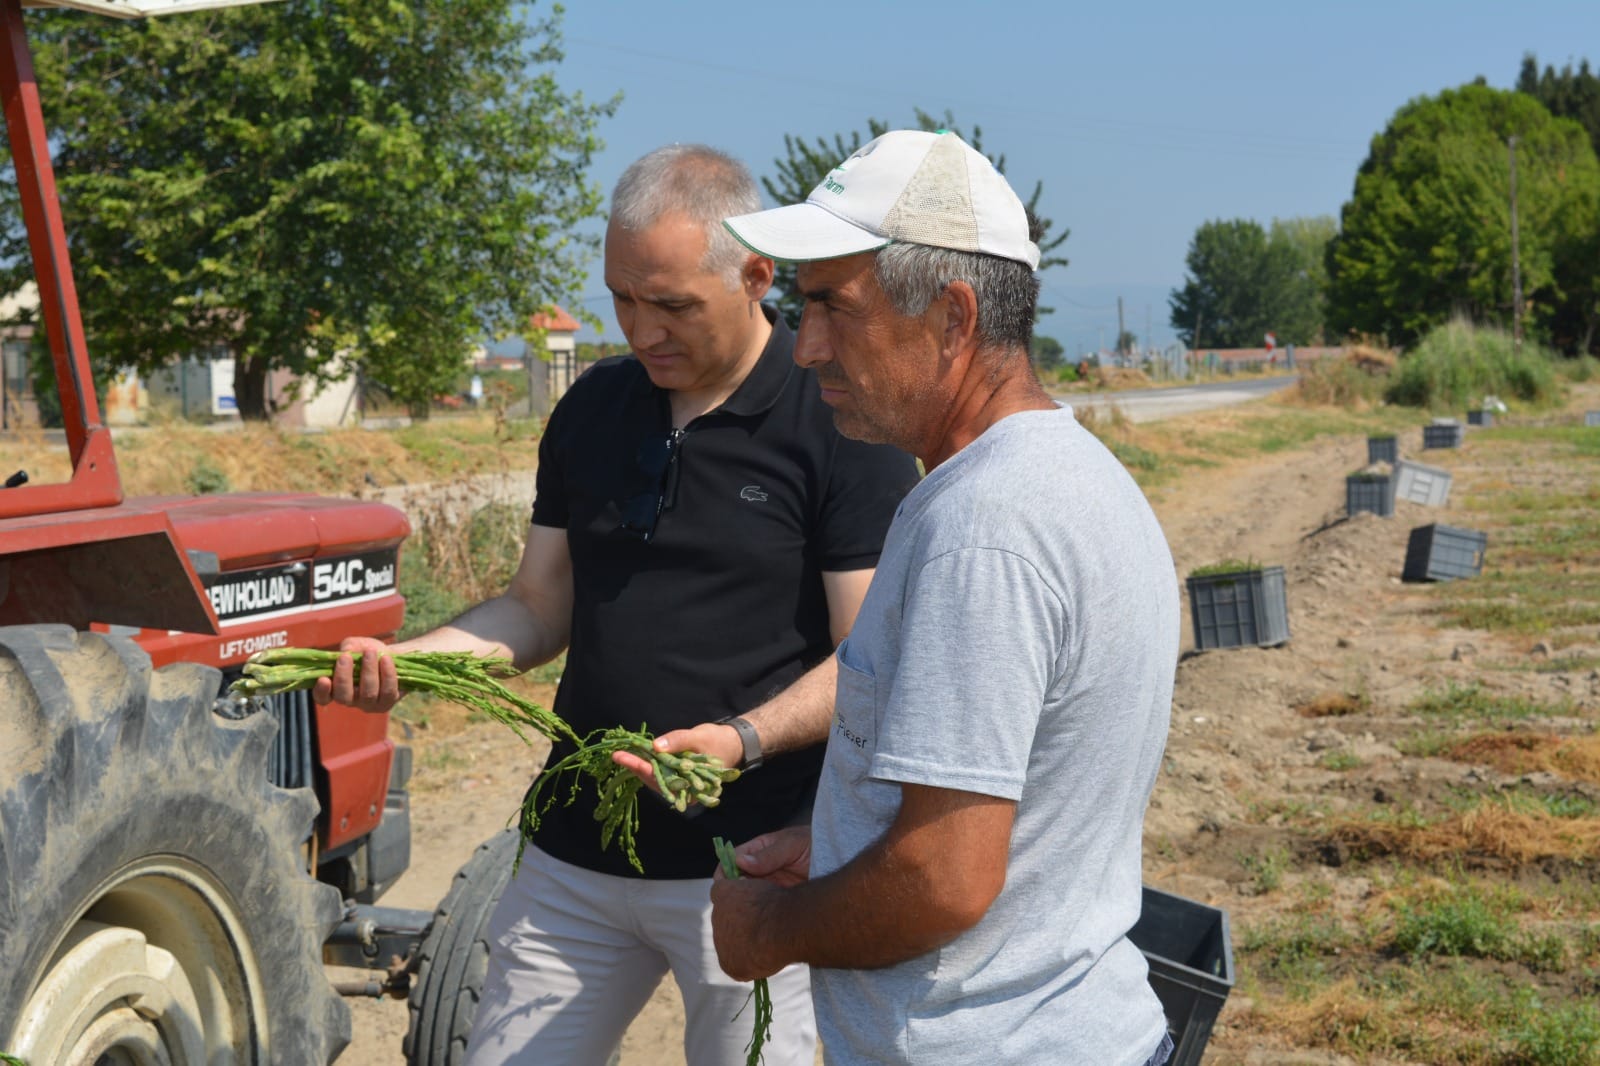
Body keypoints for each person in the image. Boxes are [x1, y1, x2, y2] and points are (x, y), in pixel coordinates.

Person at [318, 144, 919, 1066]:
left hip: (754, 864)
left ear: (757, 276)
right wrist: (419, 663)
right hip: (574, 858)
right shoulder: (595, 406)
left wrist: (741, 740)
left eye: (673, 304)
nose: (642, 332)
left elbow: (865, 658)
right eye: (622, 298)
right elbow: (536, 608)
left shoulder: (834, 422)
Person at [699, 129, 1180, 1065]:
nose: (807, 351)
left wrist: (775, 932)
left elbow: (943, 879)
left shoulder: (986, 529)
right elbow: (1002, 809)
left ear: (955, 318)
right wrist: (840, 846)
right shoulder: (1067, 474)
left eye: (833, 308)